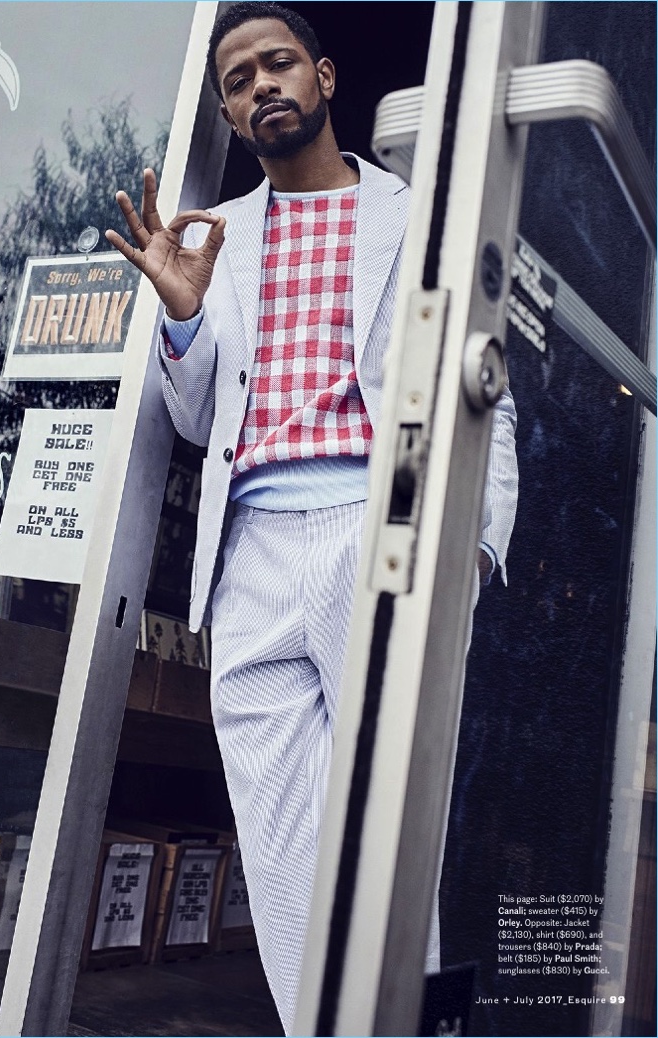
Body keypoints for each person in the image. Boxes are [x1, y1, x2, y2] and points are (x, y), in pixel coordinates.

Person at [106, 4, 518, 1031]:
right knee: (282, 851)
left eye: (276, 64)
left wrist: (464, 553)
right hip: (247, 556)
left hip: (366, 534)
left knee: (387, 840)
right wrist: (184, 314)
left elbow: (483, 390)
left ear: (325, 77)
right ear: (229, 112)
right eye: (237, 81)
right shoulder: (214, 237)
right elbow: (200, 422)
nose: (259, 88)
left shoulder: (414, 216)